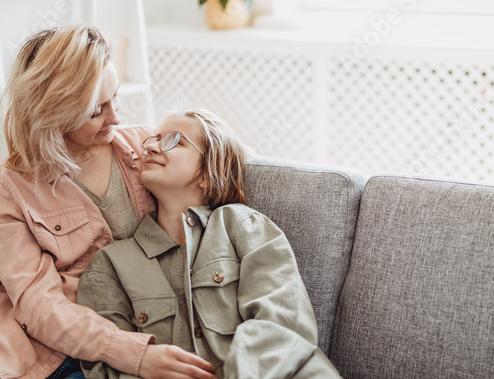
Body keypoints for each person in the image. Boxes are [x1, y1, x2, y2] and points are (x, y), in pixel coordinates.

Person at [0, 26, 216, 379]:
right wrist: (132, 354)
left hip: (121, 333)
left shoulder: (143, 149)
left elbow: (213, 156)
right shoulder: (10, 185)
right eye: (94, 111)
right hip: (27, 338)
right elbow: (35, 302)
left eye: (115, 97)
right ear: (51, 112)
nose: (115, 117)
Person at [77, 109, 342, 378]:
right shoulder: (110, 264)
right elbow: (106, 365)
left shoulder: (241, 225)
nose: (152, 147)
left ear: (206, 172)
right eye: (151, 141)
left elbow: (283, 322)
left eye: (173, 141)